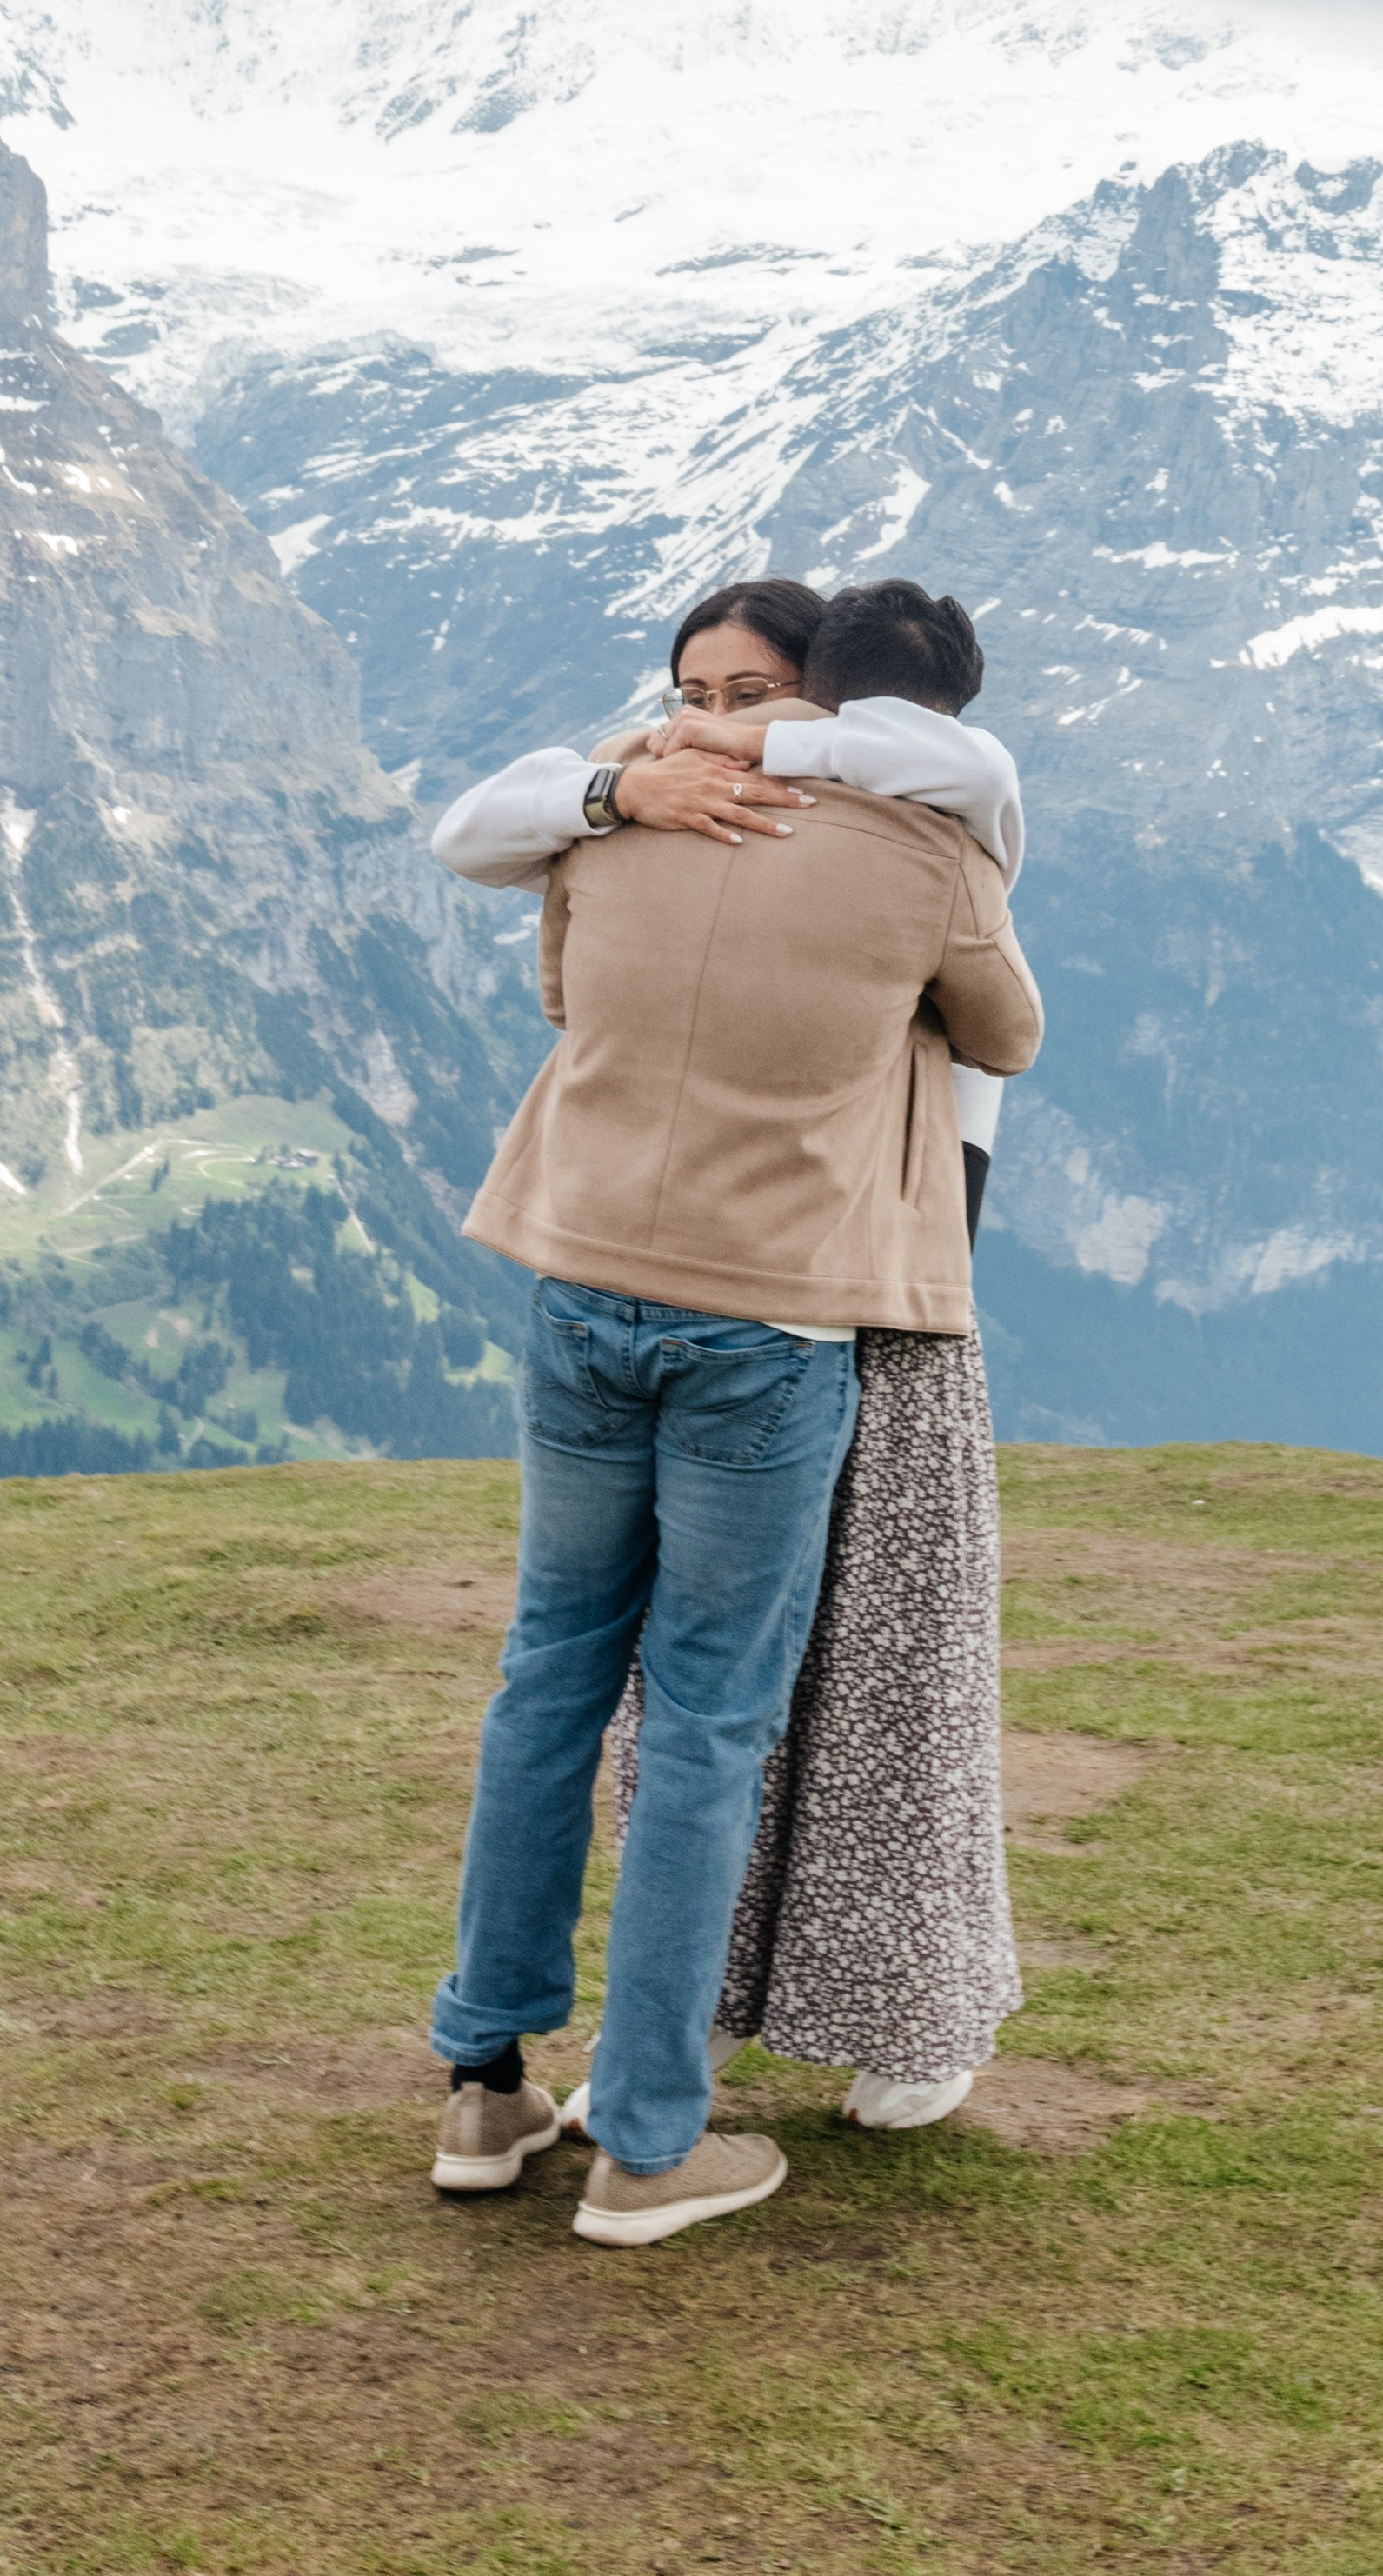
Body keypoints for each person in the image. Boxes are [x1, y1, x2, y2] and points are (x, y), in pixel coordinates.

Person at [426, 581, 1041, 2247]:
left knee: (548, 1673)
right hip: (764, 1320)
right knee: (705, 1721)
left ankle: (485, 2085)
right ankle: (643, 2138)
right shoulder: (927, 854)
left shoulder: (616, 807)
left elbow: (563, 993)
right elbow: (1007, 1029)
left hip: (577, 1282)